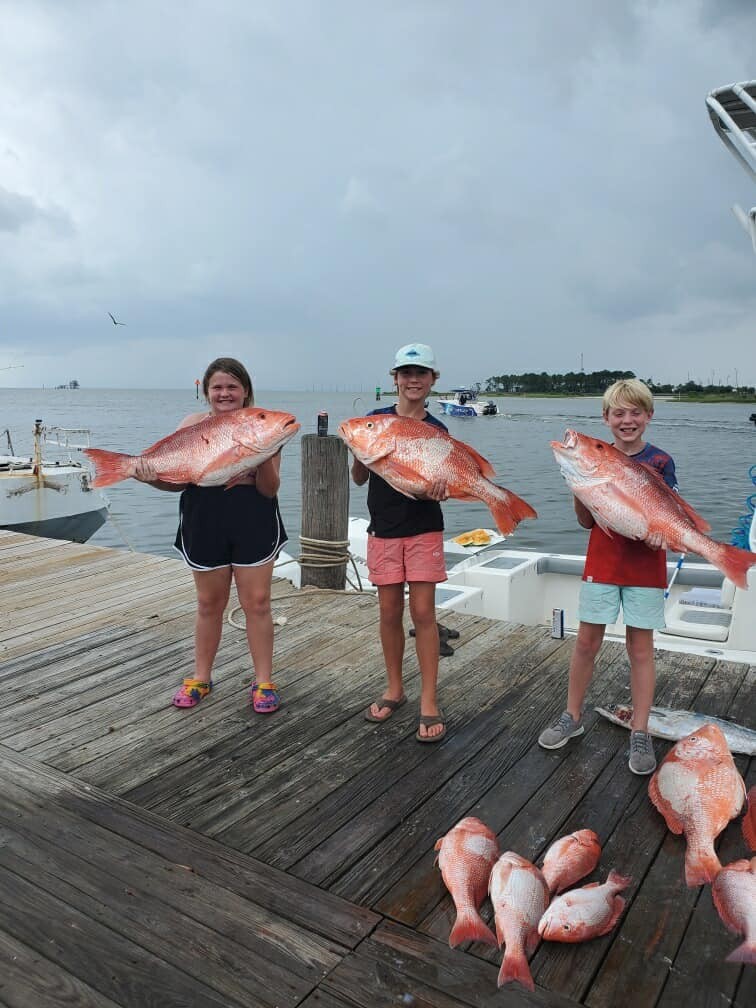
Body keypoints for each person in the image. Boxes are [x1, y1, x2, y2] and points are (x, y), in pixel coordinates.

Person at [538, 378, 677, 774]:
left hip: (646, 569)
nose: (627, 420)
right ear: (606, 418)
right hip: (601, 563)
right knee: (585, 642)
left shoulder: (661, 461)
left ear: (648, 417)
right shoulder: (594, 458)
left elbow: (664, 516)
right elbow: (586, 521)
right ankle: (571, 715)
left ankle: (640, 730)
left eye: (635, 412)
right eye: (619, 413)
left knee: (640, 650)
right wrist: (579, 486)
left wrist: (663, 533)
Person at [135, 357, 287, 712]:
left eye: (232, 386)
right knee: (208, 604)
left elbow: (269, 489)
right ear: (206, 392)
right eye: (217, 387)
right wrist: (147, 475)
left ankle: (263, 681)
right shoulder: (191, 425)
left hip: (253, 517)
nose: (225, 393)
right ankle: (200, 677)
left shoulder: (264, 425)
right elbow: (176, 483)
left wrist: (261, 453)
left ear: (245, 390)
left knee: (258, 603)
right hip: (203, 518)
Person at [350, 343, 449, 742]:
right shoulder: (374, 421)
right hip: (384, 529)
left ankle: (429, 699)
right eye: (406, 373)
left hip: (425, 527)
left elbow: (438, 478)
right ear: (394, 379)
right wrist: (360, 452)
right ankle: (395, 688)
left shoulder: (438, 430)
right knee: (389, 611)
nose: (413, 380)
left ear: (432, 381)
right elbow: (359, 478)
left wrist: (441, 488)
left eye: (420, 374)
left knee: (423, 612)